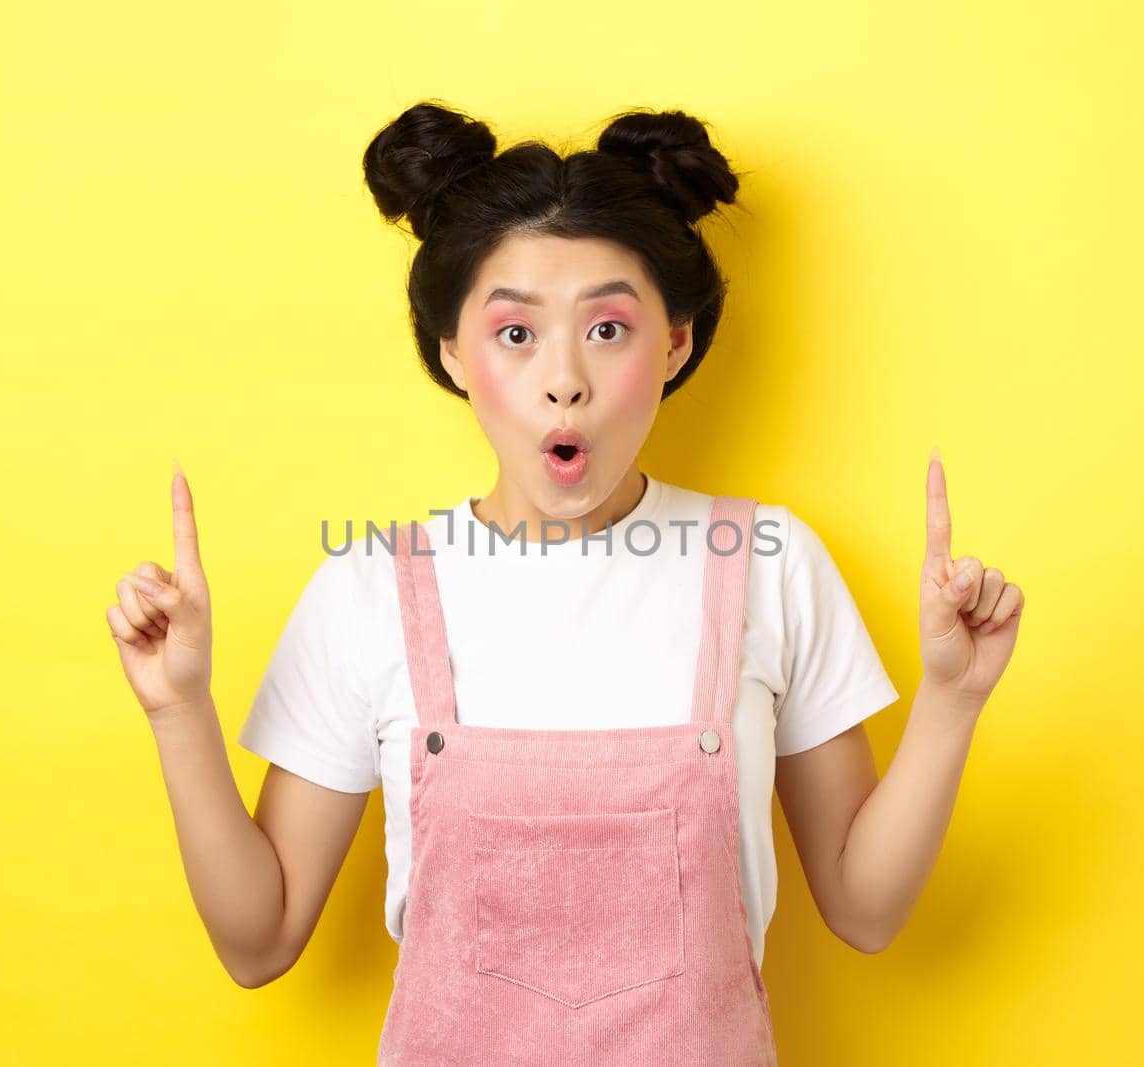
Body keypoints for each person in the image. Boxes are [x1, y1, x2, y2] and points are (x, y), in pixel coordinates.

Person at [105, 101, 1026, 1065]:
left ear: (674, 344)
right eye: (514, 335)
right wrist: (178, 711)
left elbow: (867, 911)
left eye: (609, 328)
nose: (564, 380)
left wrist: (954, 699)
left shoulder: (770, 561)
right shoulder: (370, 585)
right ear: (453, 355)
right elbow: (258, 941)